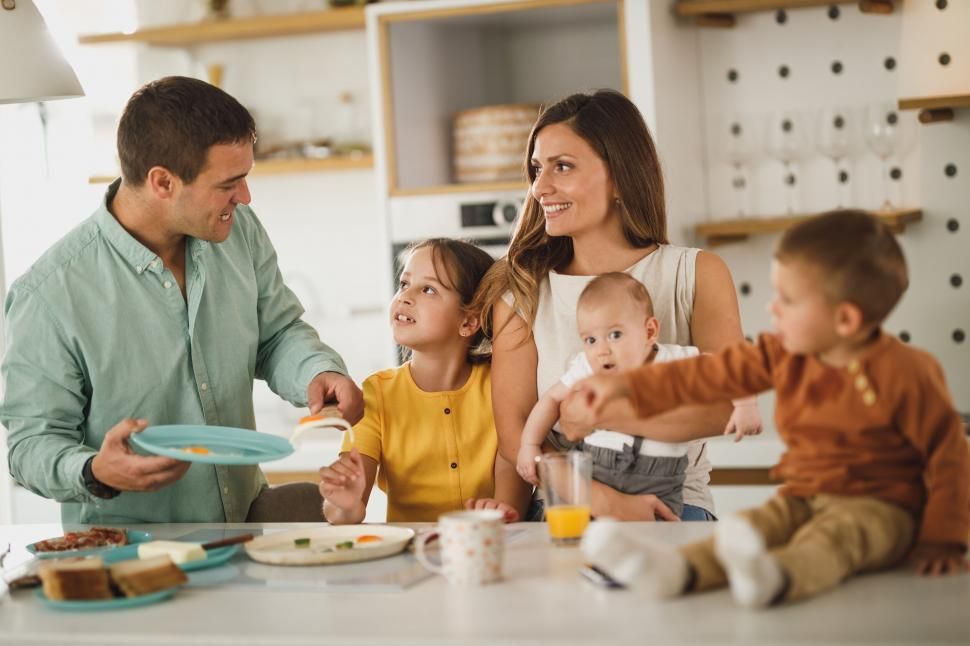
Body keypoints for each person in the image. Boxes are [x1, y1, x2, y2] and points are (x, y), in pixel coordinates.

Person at [0, 76, 363, 524]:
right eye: (229, 183)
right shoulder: (50, 294)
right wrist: (96, 470)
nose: (245, 198)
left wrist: (317, 371)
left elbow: (277, 333)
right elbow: (32, 444)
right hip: (133, 562)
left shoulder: (239, 231)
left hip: (242, 533)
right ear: (163, 182)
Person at [575, 210, 970, 607]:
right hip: (805, 495)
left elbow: (949, 457)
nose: (772, 308)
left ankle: (780, 576)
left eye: (788, 300)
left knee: (834, 539)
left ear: (846, 319)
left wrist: (945, 538)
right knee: (750, 525)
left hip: (884, 507)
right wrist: (625, 384)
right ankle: (680, 571)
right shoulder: (783, 353)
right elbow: (704, 374)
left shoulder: (909, 373)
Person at [474, 89, 762, 522]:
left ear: (621, 176)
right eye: (537, 169)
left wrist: (600, 413)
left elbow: (724, 406)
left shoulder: (697, 273)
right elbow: (515, 433)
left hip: (672, 508)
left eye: (563, 167)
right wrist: (604, 500)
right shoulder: (521, 290)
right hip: (565, 510)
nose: (539, 188)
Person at [320, 239, 530, 523]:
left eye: (428, 289)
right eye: (404, 284)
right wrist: (345, 504)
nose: (405, 297)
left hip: (488, 546)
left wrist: (499, 511)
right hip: (411, 558)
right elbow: (345, 511)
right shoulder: (376, 393)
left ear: (468, 321)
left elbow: (510, 507)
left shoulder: (501, 386)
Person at [516, 272, 759, 518]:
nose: (601, 351)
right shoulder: (586, 367)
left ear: (650, 331)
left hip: (659, 483)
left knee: (658, 535)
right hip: (597, 474)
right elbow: (551, 399)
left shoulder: (675, 362)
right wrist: (530, 443)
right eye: (590, 340)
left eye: (615, 335)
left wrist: (745, 405)